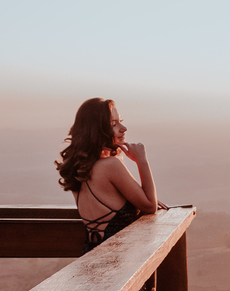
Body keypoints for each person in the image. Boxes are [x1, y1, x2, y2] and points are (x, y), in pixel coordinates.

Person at [55, 97, 167, 253]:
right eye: (113, 124)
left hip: (91, 255)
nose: (123, 128)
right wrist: (141, 160)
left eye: (120, 121)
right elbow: (150, 206)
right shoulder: (110, 165)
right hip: (117, 260)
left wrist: (136, 198)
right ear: (96, 129)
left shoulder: (80, 168)